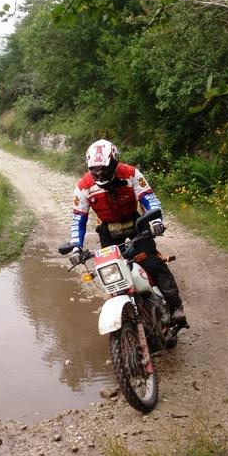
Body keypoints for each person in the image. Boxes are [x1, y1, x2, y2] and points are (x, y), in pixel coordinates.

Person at [68, 139, 189, 328]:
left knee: (151, 261)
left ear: (114, 163)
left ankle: (176, 307)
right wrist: (76, 247)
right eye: (95, 170)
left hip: (136, 224)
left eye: (105, 169)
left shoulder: (131, 173)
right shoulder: (83, 186)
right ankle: (125, 309)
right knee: (111, 273)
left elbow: (149, 198)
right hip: (108, 230)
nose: (100, 174)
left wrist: (156, 221)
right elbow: (78, 219)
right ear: (89, 167)